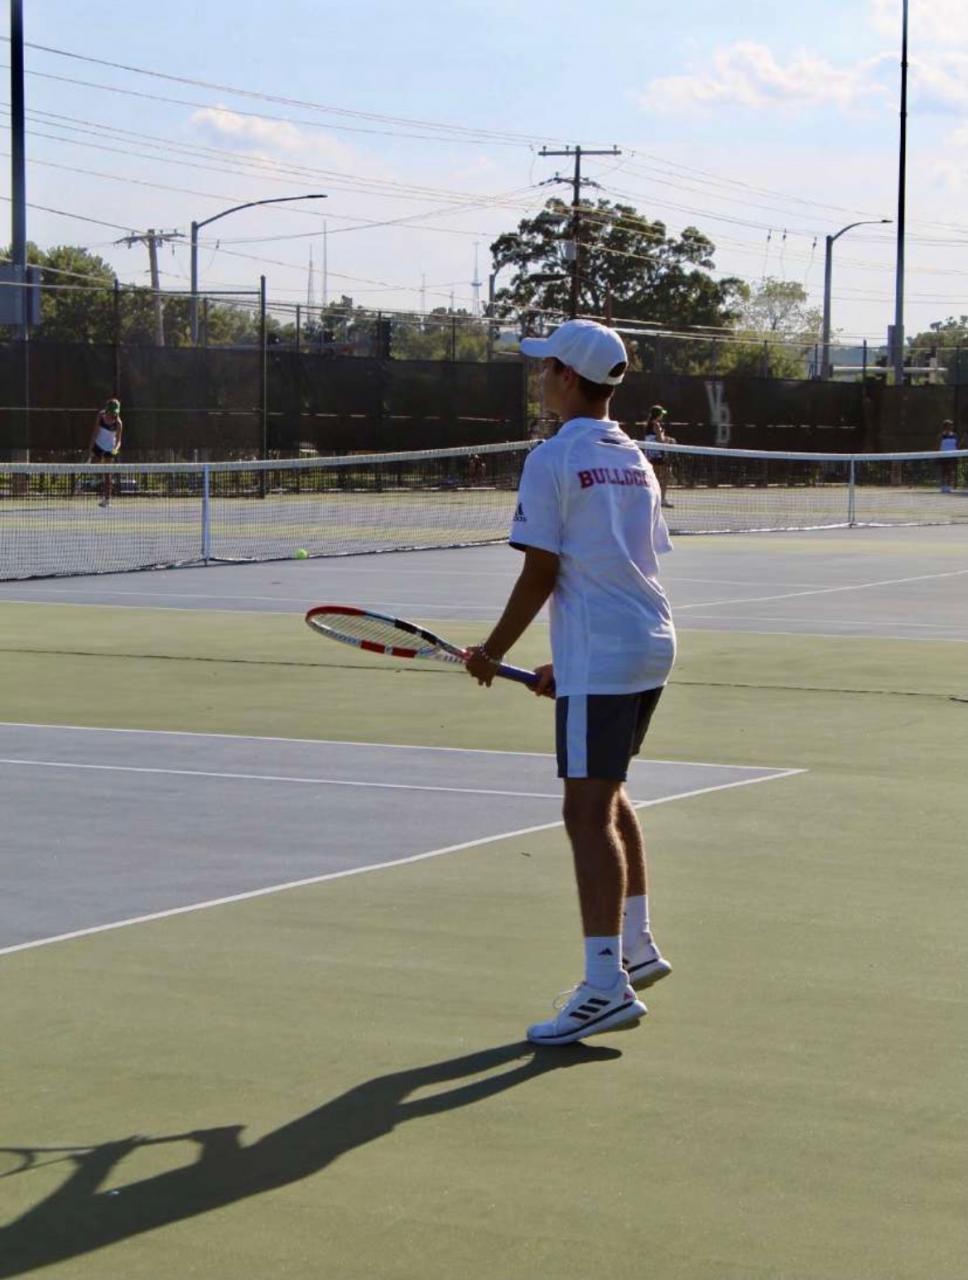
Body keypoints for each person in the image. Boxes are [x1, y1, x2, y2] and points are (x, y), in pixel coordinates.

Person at [465, 319, 676, 1046]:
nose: (538, 376)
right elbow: (629, 560)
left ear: (565, 377)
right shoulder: (637, 458)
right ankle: (636, 945)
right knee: (608, 794)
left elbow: (541, 570)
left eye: (544, 365)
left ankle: (604, 986)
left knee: (585, 815)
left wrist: (492, 652)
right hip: (649, 643)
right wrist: (571, 665)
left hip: (608, 652)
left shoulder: (552, 458)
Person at [88, 397, 123, 508]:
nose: (113, 415)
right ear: (107, 410)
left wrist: (115, 449)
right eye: (111, 412)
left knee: (108, 474)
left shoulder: (118, 423)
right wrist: (91, 449)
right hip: (98, 445)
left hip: (110, 448)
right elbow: (95, 432)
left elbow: (119, 441)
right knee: (93, 467)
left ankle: (106, 500)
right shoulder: (100, 416)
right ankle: (97, 479)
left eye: (115, 412)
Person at [643, 404, 676, 508]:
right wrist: (669, 440)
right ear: (659, 415)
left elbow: (655, 438)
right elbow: (659, 440)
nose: (662, 416)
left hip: (650, 455)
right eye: (662, 414)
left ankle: (654, 499)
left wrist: (665, 438)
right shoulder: (656, 425)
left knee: (655, 477)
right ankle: (662, 499)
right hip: (657, 455)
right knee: (666, 474)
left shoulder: (648, 425)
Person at [938, 419, 960, 493]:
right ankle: (943, 486)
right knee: (943, 471)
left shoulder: (955, 435)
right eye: (948, 425)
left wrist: (957, 453)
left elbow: (957, 445)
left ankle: (948, 487)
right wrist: (939, 454)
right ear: (945, 427)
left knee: (950, 471)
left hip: (952, 456)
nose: (950, 427)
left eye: (951, 425)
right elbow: (939, 445)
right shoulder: (942, 435)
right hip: (943, 456)